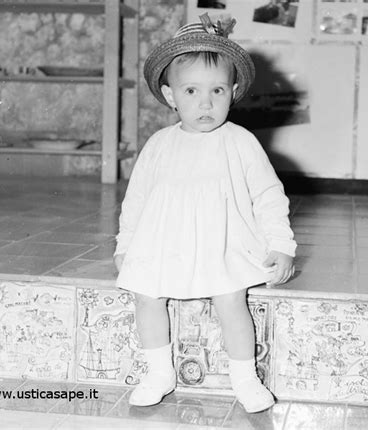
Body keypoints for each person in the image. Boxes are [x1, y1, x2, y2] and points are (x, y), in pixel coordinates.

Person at [114, 13, 297, 413]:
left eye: (217, 90)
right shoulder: (159, 144)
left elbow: (268, 194)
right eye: (192, 91)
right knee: (146, 297)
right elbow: (137, 198)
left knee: (231, 299)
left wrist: (281, 245)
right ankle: (159, 371)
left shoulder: (241, 142)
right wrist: (125, 245)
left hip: (222, 241)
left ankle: (245, 378)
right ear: (169, 95)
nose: (206, 103)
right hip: (165, 241)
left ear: (232, 92)